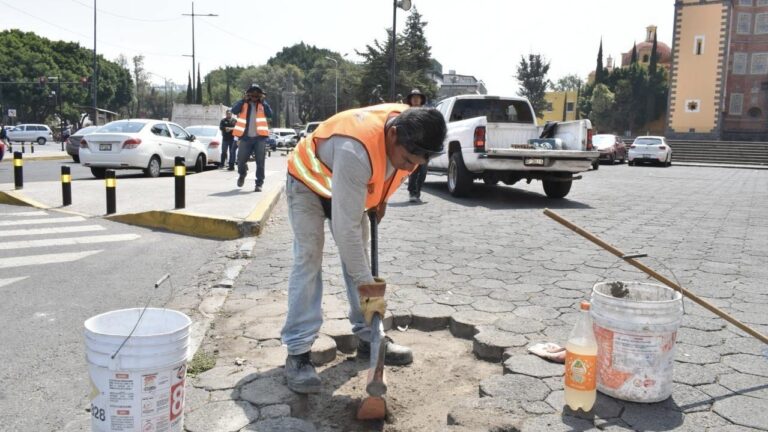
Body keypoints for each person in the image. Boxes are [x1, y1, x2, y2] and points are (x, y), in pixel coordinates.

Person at [281, 103, 447, 394]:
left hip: (350, 185)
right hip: (308, 181)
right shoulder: (355, 150)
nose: (411, 167)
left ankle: (369, 338)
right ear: (393, 135)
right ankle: (297, 353)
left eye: (418, 163)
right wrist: (368, 287)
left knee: (358, 260)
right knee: (310, 257)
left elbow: (389, 171)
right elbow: (346, 233)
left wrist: (380, 199)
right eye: (408, 160)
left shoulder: (414, 126)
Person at [230, 84, 273, 192]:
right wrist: (242, 100)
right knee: (240, 161)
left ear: (260, 95)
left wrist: (264, 102)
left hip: (260, 138)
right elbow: (234, 111)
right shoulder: (243, 103)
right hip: (245, 138)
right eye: (252, 94)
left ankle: (259, 184)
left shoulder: (262, 104)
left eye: (256, 94)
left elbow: (270, 114)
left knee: (260, 162)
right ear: (248, 95)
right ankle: (242, 174)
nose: (254, 96)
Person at [405, 89, 430, 203]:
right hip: (412, 145)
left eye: (418, 97)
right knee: (414, 170)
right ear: (410, 100)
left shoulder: (426, 112)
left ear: (421, 99)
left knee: (423, 171)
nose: (415, 99)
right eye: (413, 97)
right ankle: (412, 192)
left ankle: (418, 192)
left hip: (424, 145)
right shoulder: (406, 112)